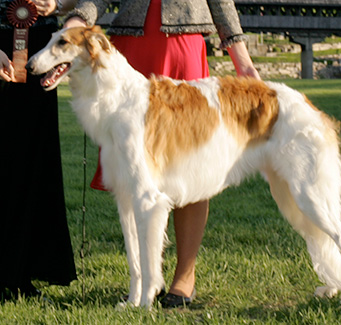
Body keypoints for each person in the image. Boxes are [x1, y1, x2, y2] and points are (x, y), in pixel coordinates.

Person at [64, 0, 260, 307]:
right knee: (136, 180)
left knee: (190, 165)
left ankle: (185, 276)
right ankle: (143, 281)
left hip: (183, 47)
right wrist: (78, 18)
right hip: (130, 52)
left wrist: (243, 61)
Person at [0, 0, 77, 300]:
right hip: (1, 48)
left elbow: (81, 2)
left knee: (33, 163)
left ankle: (20, 274)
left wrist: (57, 4)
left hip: (41, 52)